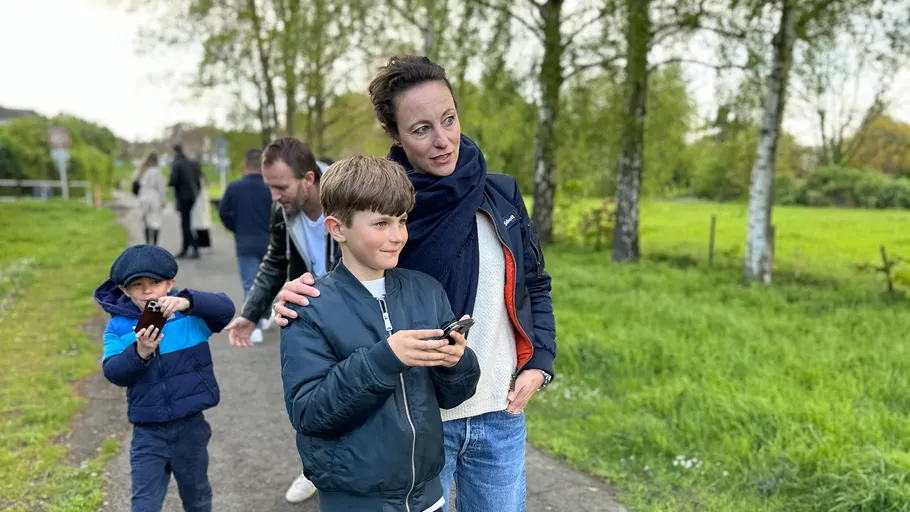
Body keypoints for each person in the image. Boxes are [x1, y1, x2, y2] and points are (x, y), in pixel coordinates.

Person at [272, 56, 556, 512]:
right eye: (421, 129)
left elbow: (535, 285)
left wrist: (540, 361)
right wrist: (291, 297)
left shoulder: (500, 193)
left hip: (500, 412)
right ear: (395, 134)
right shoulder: (381, 201)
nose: (443, 141)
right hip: (418, 424)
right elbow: (341, 285)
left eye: (449, 119)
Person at [280, 155, 481, 511]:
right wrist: (385, 359)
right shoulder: (308, 307)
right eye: (381, 223)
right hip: (355, 500)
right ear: (337, 228)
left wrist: (457, 362)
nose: (397, 235)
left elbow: (453, 396)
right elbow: (310, 412)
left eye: (402, 221)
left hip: (428, 495)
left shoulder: (427, 291)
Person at [222, 138, 340, 504]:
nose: (274, 196)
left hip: (353, 315)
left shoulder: (346, 196)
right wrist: (249, 314)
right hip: (311, 317)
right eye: (269, 187)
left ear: (309, 179)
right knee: (309, 401)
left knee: (355, 397)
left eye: (280, 187)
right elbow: (275, 262)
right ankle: (315, 470)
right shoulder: (282, 212)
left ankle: (351, 476)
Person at [93, 244, 235, 512]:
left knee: (197, 497)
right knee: (144, 503)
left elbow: (225, 309)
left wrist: (188, 301)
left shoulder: (188, 316)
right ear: (124, 290)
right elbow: (114, 373)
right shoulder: (118, 327)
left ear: (170, 283)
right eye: (137, 285)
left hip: (190, 427)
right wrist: (140, 352)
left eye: (155, 282)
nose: (147, 291)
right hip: (148, 433)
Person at [218, 148, 273, 342]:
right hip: (270, 241)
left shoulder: (234, 188)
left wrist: (235, 228)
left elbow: (223, 212)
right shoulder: (271, 187)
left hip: (245, 242)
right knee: (269, 281)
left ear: (244, 165)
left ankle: (255, 325)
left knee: (251, 283)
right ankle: (265, 316)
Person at [168, 144, 202, 259]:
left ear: (174, 151)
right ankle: (188, 247)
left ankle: (192, 247)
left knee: (185, 224)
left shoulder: (177, 163)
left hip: (183, 197)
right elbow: (198, 179)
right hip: (193, 196)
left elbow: (173, 180)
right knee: (188, 222)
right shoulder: (192, 163)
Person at [132, 153, 167, 245]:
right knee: (155, 221)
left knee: (146, 221)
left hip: (143, 196)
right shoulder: (156, 172)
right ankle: (155, 244)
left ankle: (147, 243)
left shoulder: (142, 171)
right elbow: (161, 188)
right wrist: (163, 201)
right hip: (154, 197)